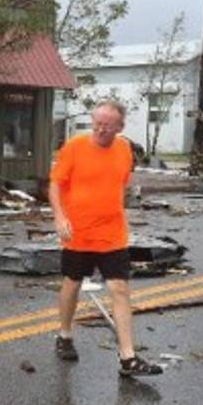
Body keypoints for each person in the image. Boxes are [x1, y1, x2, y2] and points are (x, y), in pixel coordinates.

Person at [48, 101, 162, 377]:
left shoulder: (124, 150)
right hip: (79, 232)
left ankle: (128, 358)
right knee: (72, 283)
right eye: (96, 123)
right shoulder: (74, 147)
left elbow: (118, 184)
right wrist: (60, 218)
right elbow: (55, 185)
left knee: (120, 289)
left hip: (112, 233)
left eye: (106, 125)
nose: (99, 129)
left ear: (119, 127)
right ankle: (64, 335)